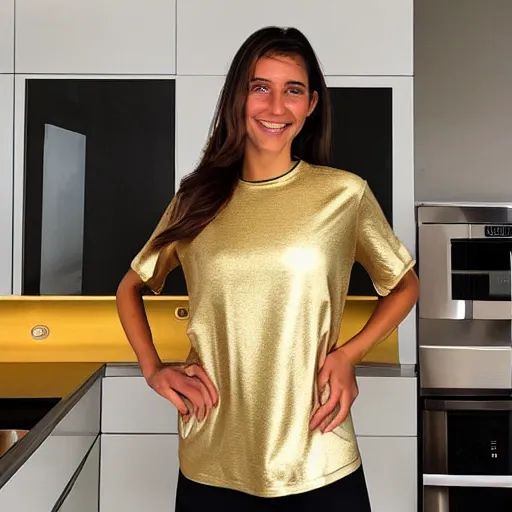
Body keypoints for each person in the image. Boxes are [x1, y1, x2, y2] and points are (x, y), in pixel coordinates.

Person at [116, 25, 419, 511]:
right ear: (239, 98)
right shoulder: (196, 199)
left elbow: (404, 285)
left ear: (311, 104)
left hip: (319, 453)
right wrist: (153, 370)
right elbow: (130, 286)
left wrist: (348, 356)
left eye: (292, 90)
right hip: (212, 456)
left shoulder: (344, 195)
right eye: (261, 88)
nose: (276, 107)